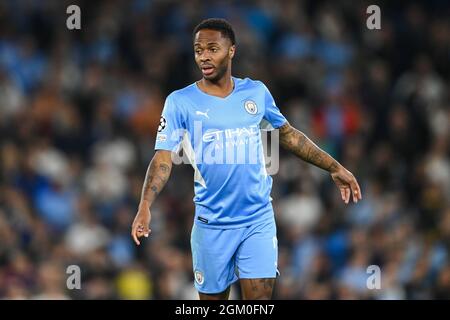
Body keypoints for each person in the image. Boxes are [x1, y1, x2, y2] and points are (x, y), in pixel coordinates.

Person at [131, 18, 362, 300]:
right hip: (211, 225)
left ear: (231, 51)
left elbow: (288, 136)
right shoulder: (180, 102)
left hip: (257, 219)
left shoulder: (256, 93)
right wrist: (145, 203)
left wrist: (334, 167)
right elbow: (163, 158)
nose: (204, 56)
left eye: (212, 48)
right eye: (198, 49)